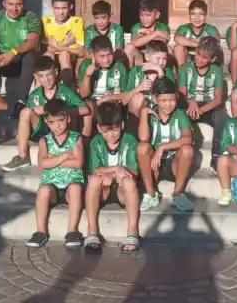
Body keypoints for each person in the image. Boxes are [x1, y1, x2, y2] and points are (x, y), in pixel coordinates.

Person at [2, 56, 90, 171]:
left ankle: (78, 144)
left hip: (61, 127)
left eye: (49, 74)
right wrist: (41, 109)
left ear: (56, 73)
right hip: (43, 129)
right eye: (41, 76)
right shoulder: (35, 95)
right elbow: (27, 115)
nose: (46, 79)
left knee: (71, 112)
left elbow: (86, 109)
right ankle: (23, 157)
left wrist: (60, 111)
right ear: (36, 77)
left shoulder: (65, 91)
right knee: (25, 111)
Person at [26, 98, 85, 249]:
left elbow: (78, 163)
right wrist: (65, 156)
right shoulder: (44, 141)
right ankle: (40, 231)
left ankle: (72, 231)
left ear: (68, 118)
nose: (57, 125)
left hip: (71, 185)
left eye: (61, 120)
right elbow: (42, 164)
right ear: (47, 122)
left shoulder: (76, 138)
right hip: (52, 186)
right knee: (43, 190)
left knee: (76, 188)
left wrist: (54, 159)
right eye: (52, 122)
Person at [84, 101, 142, 252]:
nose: (112, 134)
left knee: (129, 183)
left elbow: (134, 171)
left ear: (122, 125)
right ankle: (92, 230)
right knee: (94, 180)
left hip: (123, 191)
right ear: (99, 129)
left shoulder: (130, 141)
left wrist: (116, 175)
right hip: (104, 190)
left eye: (115, 129)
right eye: (106, 131)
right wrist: (116, 170)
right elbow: (95, 170)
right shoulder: (95, 142)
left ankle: (132, 231)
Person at [136, 78, 195, 212]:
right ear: (155, 99)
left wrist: (163, 147)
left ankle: (178, 193)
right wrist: (144, 113)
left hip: (175, 163)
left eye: (171, 100)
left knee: (187, 150)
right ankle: (151, 194)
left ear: (177, 97)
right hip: (154, 165)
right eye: (163, 100)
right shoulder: (150, 113)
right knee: (142, 148)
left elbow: (187, 138)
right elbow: (143, 138)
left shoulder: (180, 114)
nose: (168, 104)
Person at [177, 36, 227, 174]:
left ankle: (216, 155)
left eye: (204, 58)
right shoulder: (185, 68)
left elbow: (218, 99)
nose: (199, 59)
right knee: (180, 114)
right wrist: (191, 101)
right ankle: (184, 152)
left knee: (221, 116)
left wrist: (200, 109)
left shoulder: (216, 71)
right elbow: (182, 94)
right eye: (198, 54)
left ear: (212, 59)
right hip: (189, 103)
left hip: (208, 105)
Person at [78, 35, 128, 136]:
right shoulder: (85, 65)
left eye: (109, 55)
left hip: (114, 101)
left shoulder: (119, 66)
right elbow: (83, 95)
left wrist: (108, 98)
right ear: (93, 55)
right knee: (88, 105)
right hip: (94, 102)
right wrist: (87, 76)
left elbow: (126, 93)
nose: (107, 60)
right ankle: (85, 140)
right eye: (102, 56)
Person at [117, 40, 176, 118]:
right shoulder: (135, 71)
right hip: (138, 112)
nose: (161, 63)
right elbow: (124, 101)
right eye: (158, 58)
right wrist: (138, 88)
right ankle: (134, 129)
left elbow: (170, 97)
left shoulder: (167, 72)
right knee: (138, 97)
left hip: (160, 111)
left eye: (164, 59)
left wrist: (161, 73)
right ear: (147, 57)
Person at [42, 0, 85, 86]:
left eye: (64, 8)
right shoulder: (46, 21)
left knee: (64, 54)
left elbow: (80, 51)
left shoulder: (77, 22)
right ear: (51, 7)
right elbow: (47, 48)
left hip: (70, 57)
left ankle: (67, 88)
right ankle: (43, 90)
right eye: (57, 8)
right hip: (52, 56)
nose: (60, 12)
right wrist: (66, 43)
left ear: (70, 7)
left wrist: (58, 47)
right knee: (48, 55)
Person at [173, 0, 220, 68]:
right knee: (179, 47)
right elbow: (177, 38)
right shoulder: (184, 28)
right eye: (193, 14)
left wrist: (188, 42)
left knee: (214, 50)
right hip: (188, 60)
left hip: (205, 60)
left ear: (206, 15)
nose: (197, 18)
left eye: (201, 14)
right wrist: (199, 44)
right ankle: (182, 73)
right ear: (189, 15)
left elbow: (215, 42)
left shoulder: (211, 29)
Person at [124, 0, 171, 66]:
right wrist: (155, 34)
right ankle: (130, 75)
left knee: (170, 50)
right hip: (140, 59)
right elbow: (135, 43)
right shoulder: (137, 27)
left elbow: (161, 44)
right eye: (141, 15)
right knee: (129, 47)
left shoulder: (163, 27)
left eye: (148, 15)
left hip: (157, 59)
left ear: (157, 15)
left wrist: (148, 33)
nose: (144, 18)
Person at [83, 0, 125, 64]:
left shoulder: (117, 29)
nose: (100, 22)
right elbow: (86, 53)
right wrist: (100, 59)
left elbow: (118, 52)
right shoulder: (89, 30)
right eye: (97, 18)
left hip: (111, 61)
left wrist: (105, 59)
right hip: (94, 61)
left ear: (109, 16)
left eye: (103, 18)